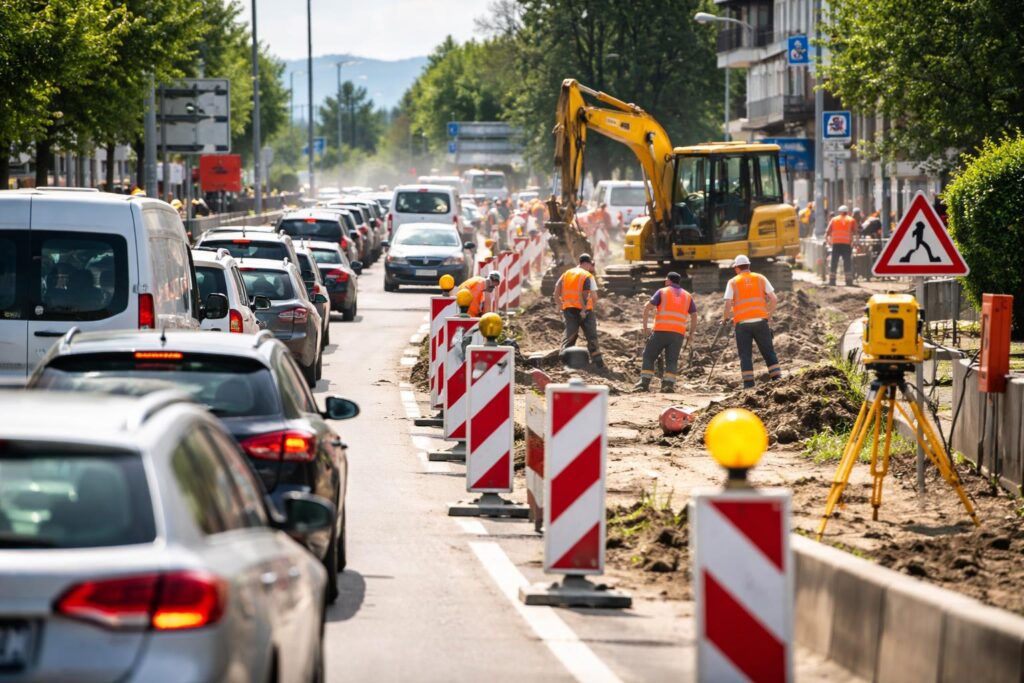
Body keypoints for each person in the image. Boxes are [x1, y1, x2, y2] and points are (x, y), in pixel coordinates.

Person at [723, 255, 781, 389]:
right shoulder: (760, 278)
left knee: (745, 355)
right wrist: (768, 315)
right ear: (749, 266)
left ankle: (749, 385)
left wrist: (725, 318)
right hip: (761, 321)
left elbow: (727, 304)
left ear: (736, 268)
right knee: (769, 352)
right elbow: (774, 299)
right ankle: (777, 380)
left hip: (742, 325)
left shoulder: (732, 281)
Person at [634, 272, 697, 393]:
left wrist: (645, 327)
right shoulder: (688, 295)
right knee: (672, 360)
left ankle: (644, 383)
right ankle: (668, 385)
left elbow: (647, 308)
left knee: (649, 355)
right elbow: (694, 315)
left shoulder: (662, 291)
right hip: (678, 334)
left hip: (660, 331)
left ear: (668, 281)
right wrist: (691, 333)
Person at [553, 253, 603, 367]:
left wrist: (561, 307)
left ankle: (564, 360)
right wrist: (585, 310)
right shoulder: (587, 276)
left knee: (570, 335)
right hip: (585, 311)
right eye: (592, 265)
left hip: (569, 310)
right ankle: (598, 363)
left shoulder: (566, 274)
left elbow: (556, 292)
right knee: (591, 336)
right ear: (588, 263)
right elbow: (591, 296)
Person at [825, 204, 857, 286]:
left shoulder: (834, 219)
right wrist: (855, 243)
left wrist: (828, 241)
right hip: (846, 245)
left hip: (836, 244)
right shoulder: (851, 220)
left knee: (834, 262)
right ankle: (848, 281)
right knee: (847, 262)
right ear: (847, 212)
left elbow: (827, 232)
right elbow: (856, 233)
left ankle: (832, 281)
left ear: (839, 212)